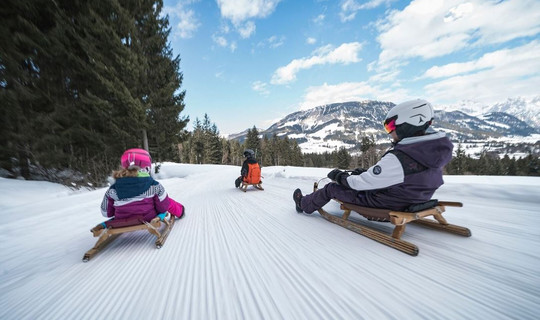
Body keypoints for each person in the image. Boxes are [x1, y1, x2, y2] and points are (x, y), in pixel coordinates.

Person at [293, 99, 453, 214]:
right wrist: (366, 172)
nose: (389, 132)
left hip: (388, 203)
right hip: (417, 197)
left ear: (408, 124)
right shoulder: (433, 151)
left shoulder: (400, 157)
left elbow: (361, 184)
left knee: (331, 188)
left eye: (390, 126)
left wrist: (340, 177)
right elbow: (401, 176)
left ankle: (303, 204)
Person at [98, 148, 185, 229]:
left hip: (122, 220)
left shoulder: (112, 190)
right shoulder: (154, 186)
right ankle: (180, 210)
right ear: (147, 166)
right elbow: (163, 207)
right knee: (165, 200)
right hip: (148, 219)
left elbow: (106, 212)